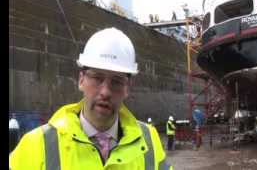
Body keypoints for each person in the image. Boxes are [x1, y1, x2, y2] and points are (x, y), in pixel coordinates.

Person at [10, 27, 172, 170]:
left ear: (127, 88)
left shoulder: (149, 140)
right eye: (97, 78)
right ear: (81, 80)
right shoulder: (36, 145)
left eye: (116, 81)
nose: (105, 91)